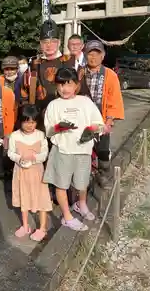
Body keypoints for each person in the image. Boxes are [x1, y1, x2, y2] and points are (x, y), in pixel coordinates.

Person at [43, 67, 104, 231]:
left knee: (82, 182)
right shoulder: (53, 105)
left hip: (83, 149)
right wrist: (59, 127)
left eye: (69, 84)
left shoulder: (85, 102)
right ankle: (67, 216)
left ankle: (81, 204)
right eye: (61, 85)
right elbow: (48, 130)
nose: (65, 89)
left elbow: (99, 123)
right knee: (61, 185)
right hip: (62, 151)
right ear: (56, 86)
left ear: (76, 85)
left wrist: (89, 132)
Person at [81, 40, 124, 187]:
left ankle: (103, 174)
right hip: (83, 118)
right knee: (83, 148)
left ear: (103, 55)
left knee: (103, 150)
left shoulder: (110, 75)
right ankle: (84, 177)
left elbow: (114, 99)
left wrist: (109, 121)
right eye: (90, 54)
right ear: (85, 55)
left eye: (96, 54)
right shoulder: (79, 73)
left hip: (102, 117)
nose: (93, 57)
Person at [7, 104, 52, 242]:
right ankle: (25, 225)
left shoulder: (41, 135)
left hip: (37, 172)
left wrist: (35, 158)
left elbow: (44, 154)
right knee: (23, 196)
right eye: (26, 122)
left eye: (32, 122)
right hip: (21, 171)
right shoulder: (14, 136)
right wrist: (19, 158)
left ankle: (42, 228)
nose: (29, 125)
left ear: (36, 123)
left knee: (41, 198)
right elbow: (10, 152)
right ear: (20, 121)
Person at [20, 20, 81, 113]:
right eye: (45, 42)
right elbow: (24, 94)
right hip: (40, 116)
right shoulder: (34, 65)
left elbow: (82, 92)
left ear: (59, 42)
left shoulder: (71, 62)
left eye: (53, 41)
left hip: (68, 113)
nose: (49, 45)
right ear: (40, 44)